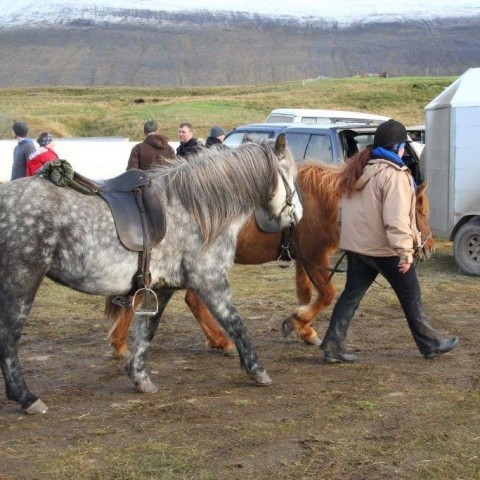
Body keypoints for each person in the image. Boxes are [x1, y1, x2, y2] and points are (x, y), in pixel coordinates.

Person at [320, 119, 458, 363]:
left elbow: (342, 213)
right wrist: (405, 253)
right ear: (397, 148)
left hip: (358, 248)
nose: (405, 151)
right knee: (411, 295)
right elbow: (396, 219)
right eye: (404, 146)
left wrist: (348, 240)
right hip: (386, 251)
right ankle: (431, 344)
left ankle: (333, 346)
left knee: (351, 296)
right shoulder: (394, 175)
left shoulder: (357, 170)